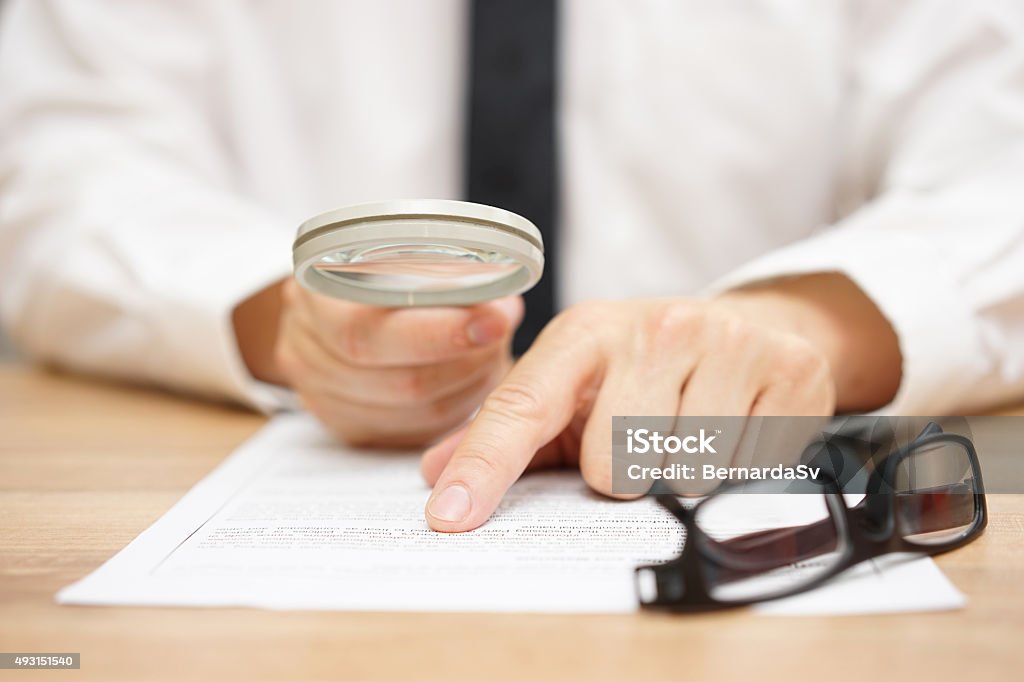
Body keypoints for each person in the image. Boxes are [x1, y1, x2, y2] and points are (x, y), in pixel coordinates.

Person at [1, 1, 1022, 533]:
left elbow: (1001, 155)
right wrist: (303, 324)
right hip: (305, 460)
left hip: (740, 477)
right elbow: (59, 164)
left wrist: (803, 330)